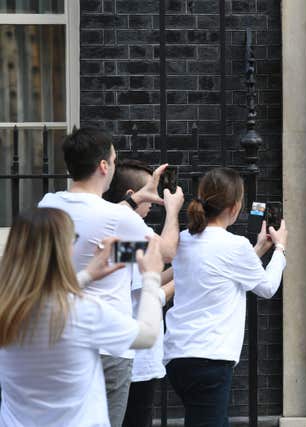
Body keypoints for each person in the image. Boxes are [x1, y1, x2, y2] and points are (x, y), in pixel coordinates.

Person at [38, 127, 184, 427]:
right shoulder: (118, 219)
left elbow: (97, 232)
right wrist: (172, 209)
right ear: (104, 166)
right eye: (114, 160)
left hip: (59, 337)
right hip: (108, 346)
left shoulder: (49, 204)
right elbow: (165, 252)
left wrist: (134, 201)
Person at [0, 207, 165, 427]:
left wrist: (87, 275)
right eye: (73, 239)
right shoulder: (82, 311)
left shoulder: (7, 309)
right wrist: (152, 277)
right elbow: (147, 335)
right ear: (61, 248)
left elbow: (40, 296)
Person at [163, 167, 288, 427]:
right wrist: (279, 248)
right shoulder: (234, 245)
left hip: (178, 357)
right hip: (210, 360)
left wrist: (257, 250)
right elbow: (266, 288)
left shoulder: (184, 239)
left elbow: (218, 271)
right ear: (235, 207)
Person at [103, 159, 176, 427]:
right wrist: (172, 211)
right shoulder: (134, 233)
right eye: (151, 192)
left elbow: (148, 277)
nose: (154, 200)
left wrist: (179, 273)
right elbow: (150, 291)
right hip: (134, 357)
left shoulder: (106, 230)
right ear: (132, 196)